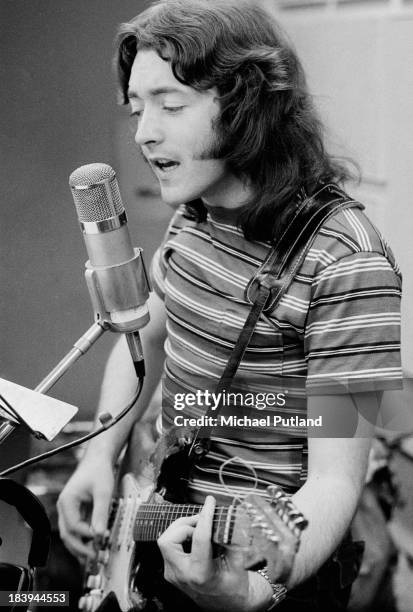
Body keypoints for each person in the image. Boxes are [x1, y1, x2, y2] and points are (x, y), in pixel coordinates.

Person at [57, 1, 402, 610]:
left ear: (247, 106)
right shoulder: (198, 211)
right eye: (138, 108)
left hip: (268, 561)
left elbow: (333, 482)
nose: (143, 132)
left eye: (170, 104)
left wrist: (251, 593)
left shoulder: (348, 261)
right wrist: (100, 454)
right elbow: (149, 341)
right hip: (162, 522)